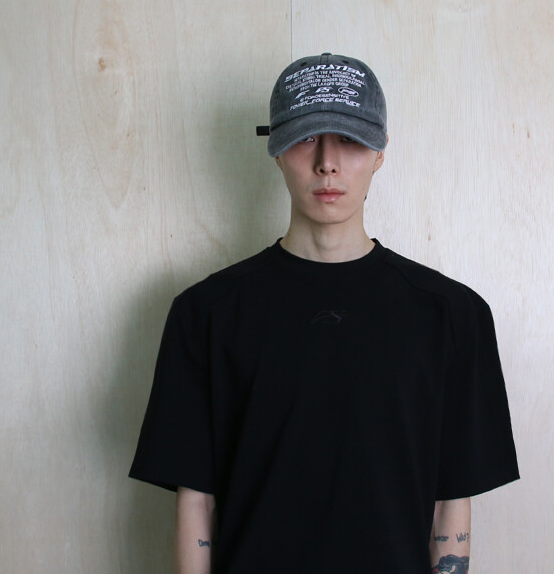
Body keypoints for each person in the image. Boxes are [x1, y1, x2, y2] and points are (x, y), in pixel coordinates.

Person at [130, 53, 519, 574]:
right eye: (307, 137)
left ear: (380, 152)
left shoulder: (451, 315)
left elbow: (451, 500)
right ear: (276, 149)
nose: (327, 163)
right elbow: (196, 499)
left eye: (350, 140)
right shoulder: (206, 314)